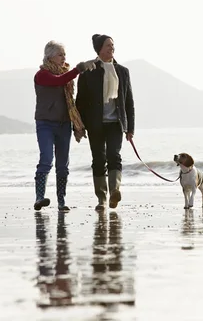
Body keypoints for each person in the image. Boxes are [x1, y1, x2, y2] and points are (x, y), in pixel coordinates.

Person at [33, 40, 95, 212]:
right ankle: (39, 197)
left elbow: (66, 84)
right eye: (60, 54)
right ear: (50, 56)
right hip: (45, 123)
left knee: (62, 165)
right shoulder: (42, 74)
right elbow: (58, 81)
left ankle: (61, 201)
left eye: (64, 54)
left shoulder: (65, 73)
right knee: (46, 160)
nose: (63, 57)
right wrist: (79, 68)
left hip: (63, 124)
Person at [76, 34, 135, 211]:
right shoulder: (88, 71)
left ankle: (114, 191)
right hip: (95, 123)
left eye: (113, 45)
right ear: (99, 49)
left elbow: (129, 101)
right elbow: (80, 101)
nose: (112, 48)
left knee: (114, 156)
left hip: (116, 123)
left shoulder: (123, 71)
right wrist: (78, 126)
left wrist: (130, 128)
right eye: (108, 45)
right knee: (99, 159)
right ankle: (101, 198)